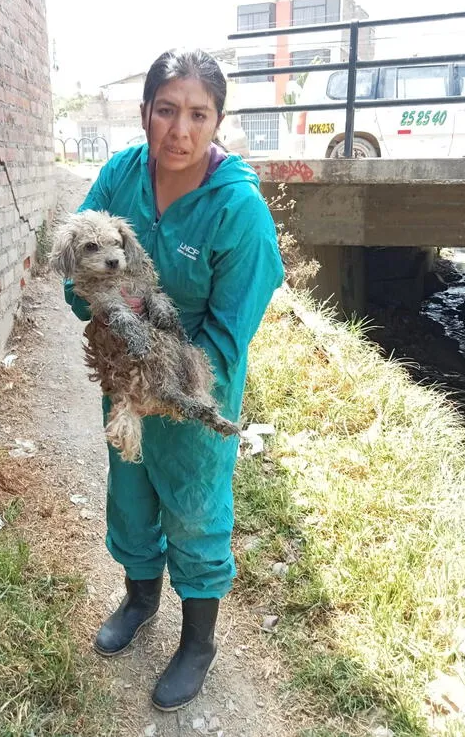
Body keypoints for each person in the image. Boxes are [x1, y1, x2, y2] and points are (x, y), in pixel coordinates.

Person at [63, 49, 284, 711]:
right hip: (124, 374)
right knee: (129, 492)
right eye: (166, 110)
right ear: (145, 113)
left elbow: (228, 328)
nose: (179, 130)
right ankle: (139, 599)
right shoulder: (120, 175)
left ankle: (197, 640)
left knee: (193, 508)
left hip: (192, 387)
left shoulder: (237, 210)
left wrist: (169, 386)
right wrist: (98, 314)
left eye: (198, 114)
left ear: (218, 121)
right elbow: (79, 261)